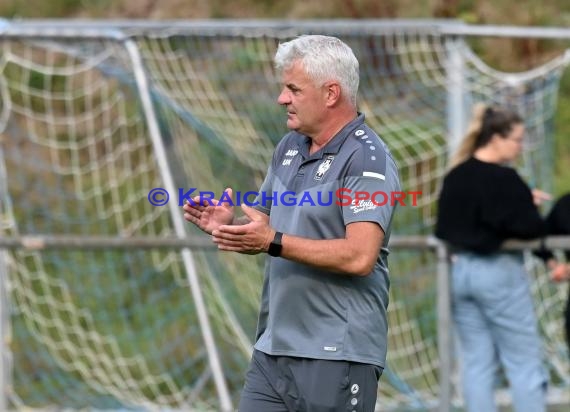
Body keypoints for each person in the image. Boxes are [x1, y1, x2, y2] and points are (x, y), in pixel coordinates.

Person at [183, 35, 400, 412]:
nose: (282, 98)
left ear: (331, 93)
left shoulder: (367, 159)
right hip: (272, 351)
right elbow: (267, 228)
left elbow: (359, 256)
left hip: (335, 354)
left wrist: (271, 240)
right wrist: (229, 224)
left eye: (293, 89)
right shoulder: (288, 147)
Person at [435, 104, 568, 412]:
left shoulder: (456, 175)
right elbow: (529, 228)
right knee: (523, 362)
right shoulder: (504, 180)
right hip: (496, 273)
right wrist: (526, 201)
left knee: (477, 365)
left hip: (459, 274)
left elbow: (447, 226)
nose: (521, 148)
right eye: (518, 140)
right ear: (496, 137)